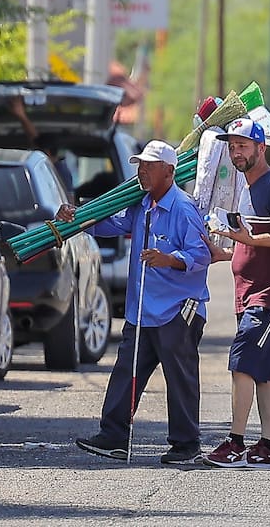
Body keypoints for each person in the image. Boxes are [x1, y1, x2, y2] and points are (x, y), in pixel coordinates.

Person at [57, 139, 213, 465]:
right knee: (126, 371)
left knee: (180, 379)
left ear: (169, 172)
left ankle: (186, 445)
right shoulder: (141, 205)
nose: (141, 171)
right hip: (142, 309)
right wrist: (78, 218)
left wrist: (169, 259)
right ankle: (114, 436)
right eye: (140, 165)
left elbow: (202, 255)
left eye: (149, 166)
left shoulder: (183, 209)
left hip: (177, 310)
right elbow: (109, 225)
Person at [202, 117, 270, 470]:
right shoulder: (246, 188)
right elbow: (256, 241)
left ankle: (235, 442)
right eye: (232, 146)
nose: (236, 152)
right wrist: (227, 252)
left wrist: (246, 239)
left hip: (269, 294)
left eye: (243, 145)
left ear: (262, 148)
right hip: (247, 294)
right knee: (263, 370)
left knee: (241, 361)